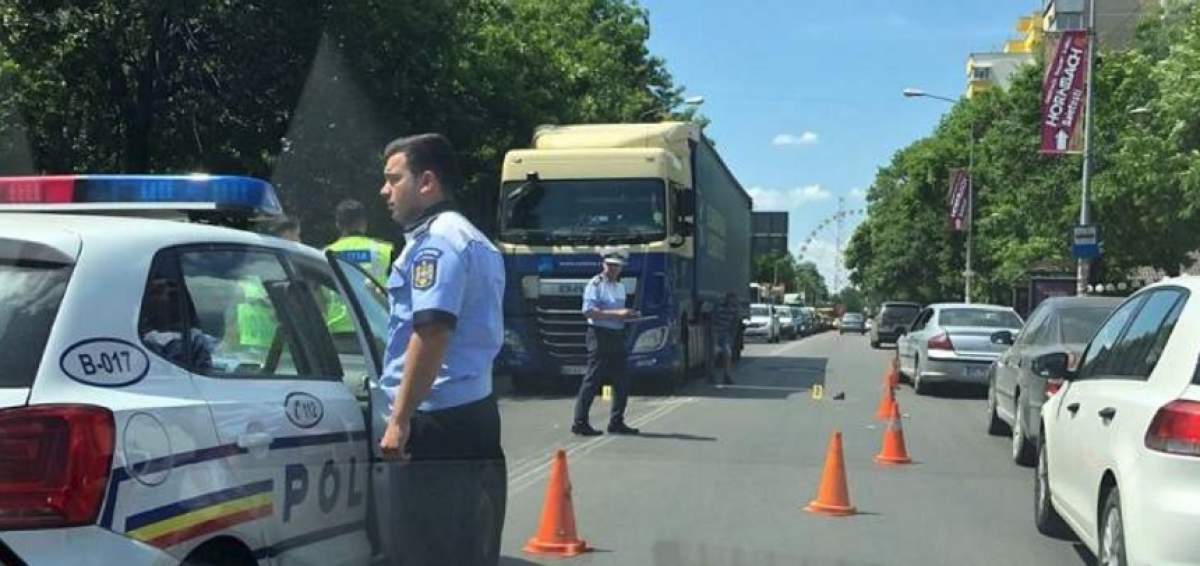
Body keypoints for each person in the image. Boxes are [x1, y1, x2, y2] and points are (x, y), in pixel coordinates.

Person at [375, 133, 507, 566]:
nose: (385, 191)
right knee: (468, 546)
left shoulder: (437, 242)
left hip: (436, 422)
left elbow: (431, 333)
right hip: (474, 410)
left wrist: (399, 419)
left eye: (394, 179)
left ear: (427, 181)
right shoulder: (474, 239)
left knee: (422, 549)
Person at [572, 248, 641, 436]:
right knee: (592, 379)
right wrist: (618, 314)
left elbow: (617, 314)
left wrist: (629, 316)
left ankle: (616, 422)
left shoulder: (620, 287)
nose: (613, 269)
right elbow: (588, 312)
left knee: (622, 381)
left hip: (616, 335)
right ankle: (580, 422)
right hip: (599, 334)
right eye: (610, 265)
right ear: (603, 265)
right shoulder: (595, 284)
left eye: (616, 266)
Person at [711, 291, 739, 385]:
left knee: (727, 353)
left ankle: (726, 375)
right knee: (714, 353)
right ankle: (711, 375)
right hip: (715, 332)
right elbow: (713, 321)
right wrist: (714, 342)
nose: (733, 301)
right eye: (731, 299)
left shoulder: (734, 310)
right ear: (727, 299)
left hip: (725, 333)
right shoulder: (719, 307)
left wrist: (732, 339)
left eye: (734, 300)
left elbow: (734, 325)